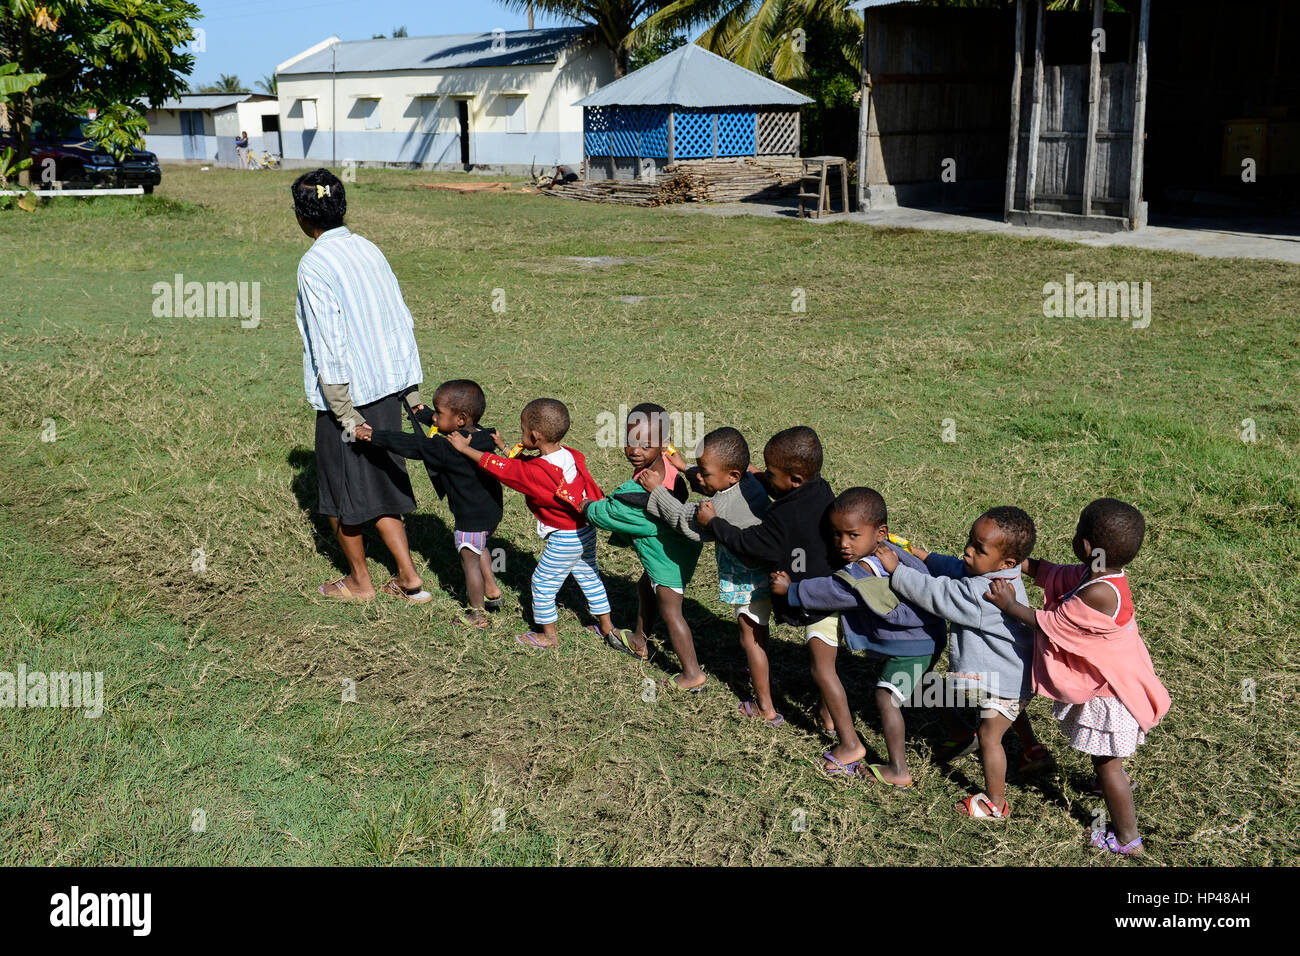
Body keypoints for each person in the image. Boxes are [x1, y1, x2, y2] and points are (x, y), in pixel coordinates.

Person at [986, 498, 1169, 855]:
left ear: (1084, 545)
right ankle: (1113, 787)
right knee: (1106, 761)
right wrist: (1018, 562)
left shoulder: (1100, 592)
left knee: (1106, 764)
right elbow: (1054, 574)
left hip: (1110, 691)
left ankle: (1128, 838)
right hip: (1112, 679)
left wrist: (1010, 605)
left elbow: (1053, 624)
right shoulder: (1098, 574)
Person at [291, 168, 431, 604]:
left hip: (347, 401)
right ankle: (409, 578)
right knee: (382, 484)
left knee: (341, 496)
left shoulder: (314, 264)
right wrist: (412, 394)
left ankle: (359, 582)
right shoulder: (369, 249)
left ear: (300, 216)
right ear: (343, 206)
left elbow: (328, 343)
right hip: (388, 391)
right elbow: (399, 319)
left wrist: (344, 412)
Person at [876, 506, 1048, 818]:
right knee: (1007, 714)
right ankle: (1032, 749)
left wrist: (898, 571)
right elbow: (957, 567)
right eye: (970, 540)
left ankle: (996, 803)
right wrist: (924, 556)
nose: (967, 550)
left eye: (978, 548)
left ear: (1008, 562)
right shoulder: (1000, 574)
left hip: (1005, 681)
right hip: (1012, 675)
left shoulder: (985, 595)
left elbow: (938, 593)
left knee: (989, 736)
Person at [772, 488, 945, 787]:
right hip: (928, 637)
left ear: (880, 532)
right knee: (916, 689)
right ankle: (958, 731)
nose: (843, 544)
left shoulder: (865, 569)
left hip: (912, 648)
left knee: (886, 697)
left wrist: (791, 590)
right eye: (837, 535)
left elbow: (834, 591)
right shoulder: (892, 550)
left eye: (853, 535)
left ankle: (898, 769)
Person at [694, 427, 844, 760]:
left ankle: (765, 708)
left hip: (801, 594)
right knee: (825, 666)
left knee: (753, 639)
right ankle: (828, 715)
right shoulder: (820, 490)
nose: (766, 477)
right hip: (829, 589)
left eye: (771, 474)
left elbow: (752, 545)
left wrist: (714, 523)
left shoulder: (781, 515)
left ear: (795, 479)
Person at [447, 398, 619, 649]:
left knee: (542, 583)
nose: (521, 433)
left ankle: (548, 636)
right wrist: (506, 447)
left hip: (564, 538)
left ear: (535, 436)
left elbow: (504, 469)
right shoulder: (569, 455)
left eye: (523, 430)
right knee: (589, 576)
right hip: (585, 531)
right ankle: (607, 627)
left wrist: (465, 449)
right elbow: (528, 465)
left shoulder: (536, 472)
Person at [638, 427, 779, 720]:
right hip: (765, 572)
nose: (699, 478)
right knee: (757, 631)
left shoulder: (721, 507)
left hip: (748, 579)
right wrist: (685, 468)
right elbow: (714, 480)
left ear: (733, 475)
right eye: (699, 470)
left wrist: (658, 491)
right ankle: (758, 669)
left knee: (749, 636)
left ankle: (765, 707)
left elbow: (682, 518)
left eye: (704, 473)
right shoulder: (750, 480)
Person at [358, 379, 505, 628]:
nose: (435, 418)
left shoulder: (447, 448)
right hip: (491, 512)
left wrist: (374, 435)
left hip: (469, 517)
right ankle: (493, 590)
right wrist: (423, 413)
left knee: (469, 562)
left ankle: (476, 615)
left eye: (438, 413)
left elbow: (412, 445)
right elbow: (446, 425)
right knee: (481, 547)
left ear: (460, 419)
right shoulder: (484, 435)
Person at [581, 404, 705, 690]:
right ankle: (639, 641)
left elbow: (610, 513)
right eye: (630, 441)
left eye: (645, 445)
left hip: (667, 560)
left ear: (662, 445)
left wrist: (587, 506)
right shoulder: (666, 464)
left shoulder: (641, 493)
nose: (635, 450)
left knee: (671, 612)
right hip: (675, 550)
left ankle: (692, 674)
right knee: (644, 588)